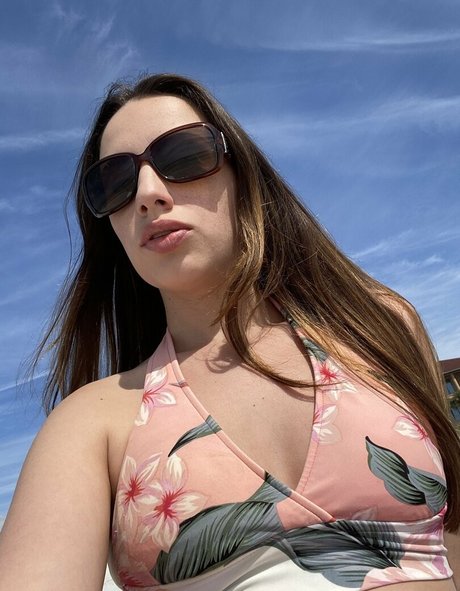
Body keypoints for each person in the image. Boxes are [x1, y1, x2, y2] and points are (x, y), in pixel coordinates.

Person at [0, 73, 459, 591]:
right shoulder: (94, 424)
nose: (148, 194)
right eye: (114, 184)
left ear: (242, 175)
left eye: (183, 156)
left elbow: (452, 538)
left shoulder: (380, 326)